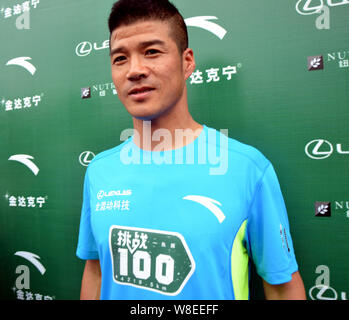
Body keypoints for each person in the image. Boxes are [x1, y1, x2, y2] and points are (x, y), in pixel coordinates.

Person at [76, 0, 306, 300]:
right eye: (120, 58)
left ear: (187, 62)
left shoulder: (246, 169)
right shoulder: (99, 171)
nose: (134, 70)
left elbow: (282, 287)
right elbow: (96, 271)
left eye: (151, 52)